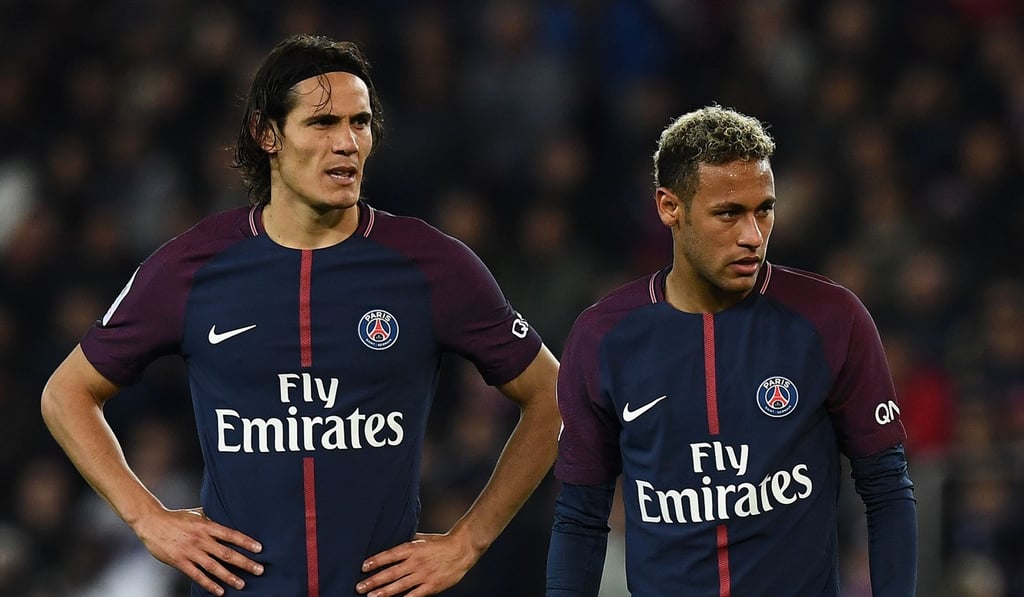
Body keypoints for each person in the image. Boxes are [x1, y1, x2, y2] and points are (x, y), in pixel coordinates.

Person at [41, 34, 561, 597]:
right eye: (323, 123)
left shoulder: (430, 265)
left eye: (359, 123)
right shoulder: (192, 266)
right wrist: (147, 519)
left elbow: (555, 394)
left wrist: (469, 541)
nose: (347, 143)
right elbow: (66, 394)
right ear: (268, 134)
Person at [545, 105, 917, 596]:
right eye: (728, 213)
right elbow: (579, 518)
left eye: (764, 209)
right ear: (669, 207)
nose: (752, 236)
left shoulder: (831, 319)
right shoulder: (603, 338)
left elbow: (887, 489)